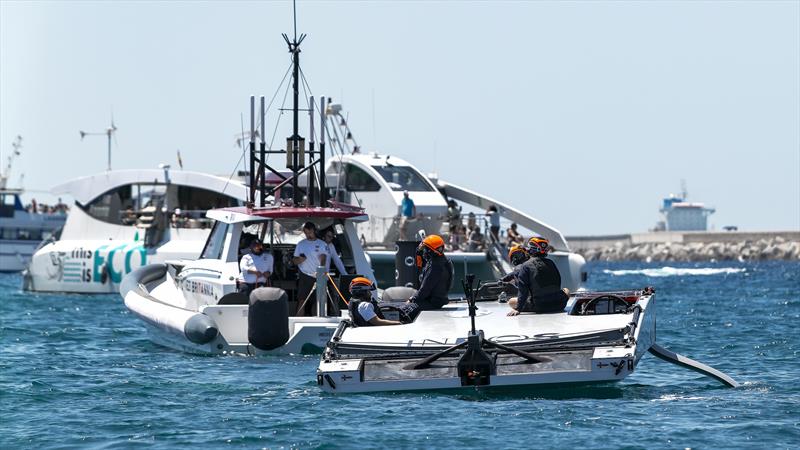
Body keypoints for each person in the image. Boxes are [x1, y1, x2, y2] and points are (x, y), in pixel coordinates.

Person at [507, 237, 570, 316]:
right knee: (566, 290)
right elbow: (558, 283)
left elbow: (523, 290)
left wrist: (518, 309)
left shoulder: (525, 266)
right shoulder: (551, 263)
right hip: (559, 304)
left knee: (511, 302)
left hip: (540, 306)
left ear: (531, 249)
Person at [408, 234, 454, 310]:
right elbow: (421, 265)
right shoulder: (443, 260)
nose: (424, 251)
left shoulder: (435, 267)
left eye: (425, 249)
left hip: (433, 303)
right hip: (438, 300)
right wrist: (418, 252)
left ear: (431, 251)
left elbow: (425, 290)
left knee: (404, 309)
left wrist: (411, 300)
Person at [292, 221, 328, 315]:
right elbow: (294, 261)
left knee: (317, 301)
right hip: (305, 275)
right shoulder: (301, 244)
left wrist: (320, 270)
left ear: (314, 231)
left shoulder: (322, 244)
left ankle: (317, 320)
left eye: (310, 232)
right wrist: (300, 260)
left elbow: (323, 258)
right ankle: (298, 320)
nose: (308, 235)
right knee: (302, 300)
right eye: (306, 233)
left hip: (318, 275)